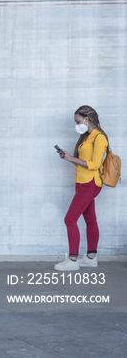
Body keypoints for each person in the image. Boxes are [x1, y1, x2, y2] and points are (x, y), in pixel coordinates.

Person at [54, 105, 108, 271]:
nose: (77, 124)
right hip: (82, 182)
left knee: (70, 219)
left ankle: (72, 260)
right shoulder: (87, 136)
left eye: (78, 121)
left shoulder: (99, 138)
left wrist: (71, 158)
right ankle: (91, 258)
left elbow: (94, 164)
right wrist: (68, 158)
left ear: (87, 118)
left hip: (90, 183)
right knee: (90, 220)